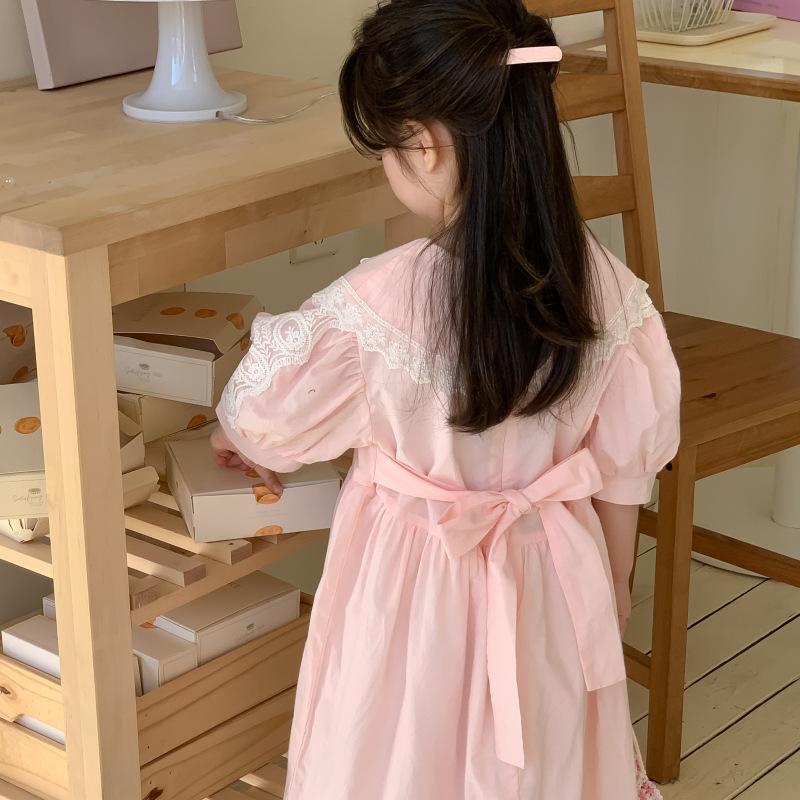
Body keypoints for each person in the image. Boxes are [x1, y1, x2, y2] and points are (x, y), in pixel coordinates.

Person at [211, 1, 680, 797]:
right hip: (551, 581)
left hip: (409, 590)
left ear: (423, 145)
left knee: (400, 746)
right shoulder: (614, 297)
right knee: (544, 754)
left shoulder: (373, 308)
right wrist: (611, 589)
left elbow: (266, 415)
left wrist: (236, 437)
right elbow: (622, 477)